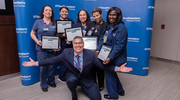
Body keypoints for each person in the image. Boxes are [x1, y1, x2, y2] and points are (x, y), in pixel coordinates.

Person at [23, 36, 132, 100]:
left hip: (87, 79)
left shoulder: (90, 54)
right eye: (75, 43)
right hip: (73, 76)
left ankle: (84, 87)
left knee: (97, 98)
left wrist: (117, 69)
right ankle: (73, 92)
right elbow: (52, 60)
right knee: (71, 80)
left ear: (83, 44)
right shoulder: (66, 53)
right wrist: (36, 63)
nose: (78, 45)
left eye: (80, 43)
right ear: (73, 44)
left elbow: (101, 66)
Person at [96, 7, 128, 99]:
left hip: (114, 55)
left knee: (109, 71)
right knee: (111, 71)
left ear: (118, 16)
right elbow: (102, 38)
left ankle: (113, 94)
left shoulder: (121, 28)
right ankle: (120, 89)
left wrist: (110, 57)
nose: (111, 16)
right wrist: (98, 49)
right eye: (110, 14)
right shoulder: (108, 26)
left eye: (114, 15)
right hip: (105, 53)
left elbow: (119, 46)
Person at [30, 5, 60, 92]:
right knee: (43, 67)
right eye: (46, 10)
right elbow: (32, 33)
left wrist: (58, 46)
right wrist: (37, 41)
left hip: (52, 49)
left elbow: (57, 35)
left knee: (51, 66)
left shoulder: (54, 23)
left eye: (50, 10)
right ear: (43, 12)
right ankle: (43, 84)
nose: (48, 12)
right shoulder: (38, 22)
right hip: (41, 49)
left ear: (52, 13)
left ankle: (51, 81)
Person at [86, 7, 107, 91]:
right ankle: (94, 83)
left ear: (101, 15)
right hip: (91, 50)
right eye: (94, 16)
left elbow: (106, 39)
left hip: (101, 51)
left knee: (100, 68)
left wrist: (98, 49)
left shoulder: (106, 25)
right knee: (92, 68)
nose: (96, 18)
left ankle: (101, 84)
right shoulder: (90, 24)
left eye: (97, 15)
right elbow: (87, 37)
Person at [56, 6, 75, 83]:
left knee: (71, 60)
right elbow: (55, 34)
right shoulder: (56, 21)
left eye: (66, 12)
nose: (64, 13)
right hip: (62, 43)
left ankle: (68, 75)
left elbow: (74, 31)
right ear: (60, 13)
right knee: (64, 60)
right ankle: (61, 76)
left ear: (68, 13)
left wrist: (69, 37)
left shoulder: (71, 20)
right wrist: (62, 35)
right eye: (63, 11)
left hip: (71, 43)